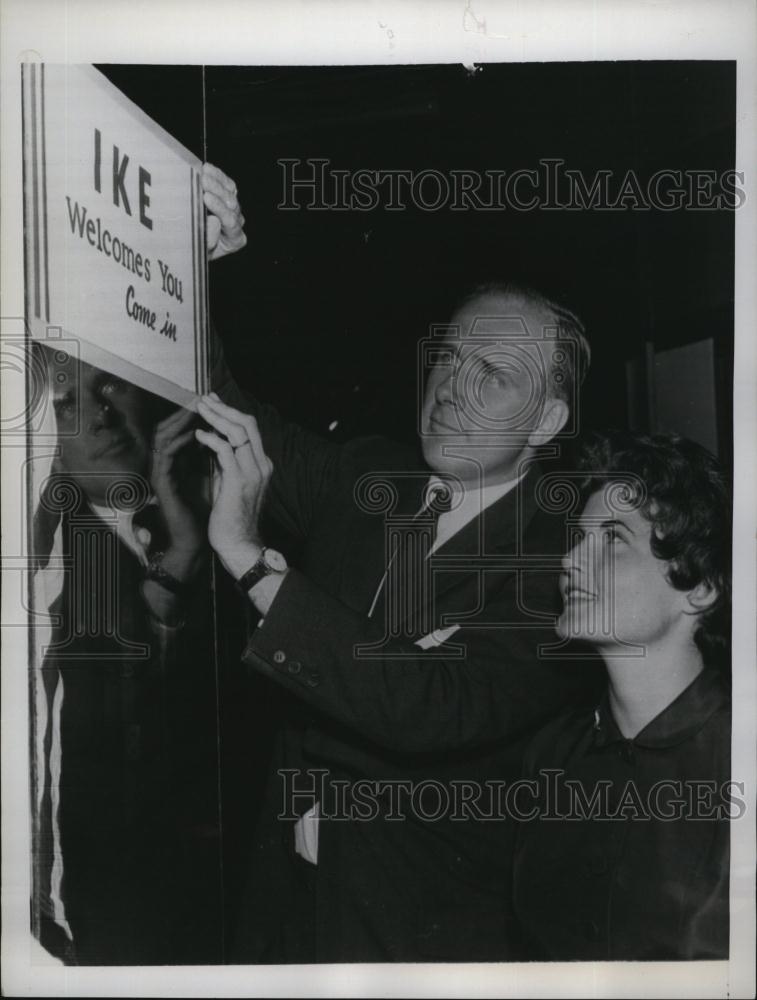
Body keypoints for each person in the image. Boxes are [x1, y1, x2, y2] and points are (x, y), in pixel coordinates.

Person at [198, 276, 604, 962]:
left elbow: (429, 704)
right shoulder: (367, 475)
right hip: (285, 909)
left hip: (414, 936)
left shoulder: (566, 563)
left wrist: (253, 563)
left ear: (546, 422)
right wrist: (187, 260)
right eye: (447, 357)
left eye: (492, 374)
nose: (449, 388)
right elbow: (222, 404)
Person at [31, 164, 246, 964]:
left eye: (108, 389)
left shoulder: (195, 519)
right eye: (65, 403)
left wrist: (184, 549)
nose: (99, 414)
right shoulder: (47, 556)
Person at [510, 430, 731, 960]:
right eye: (578, 539)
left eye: (612, 539)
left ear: (699, 588)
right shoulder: (551, 756)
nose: (569, 561)